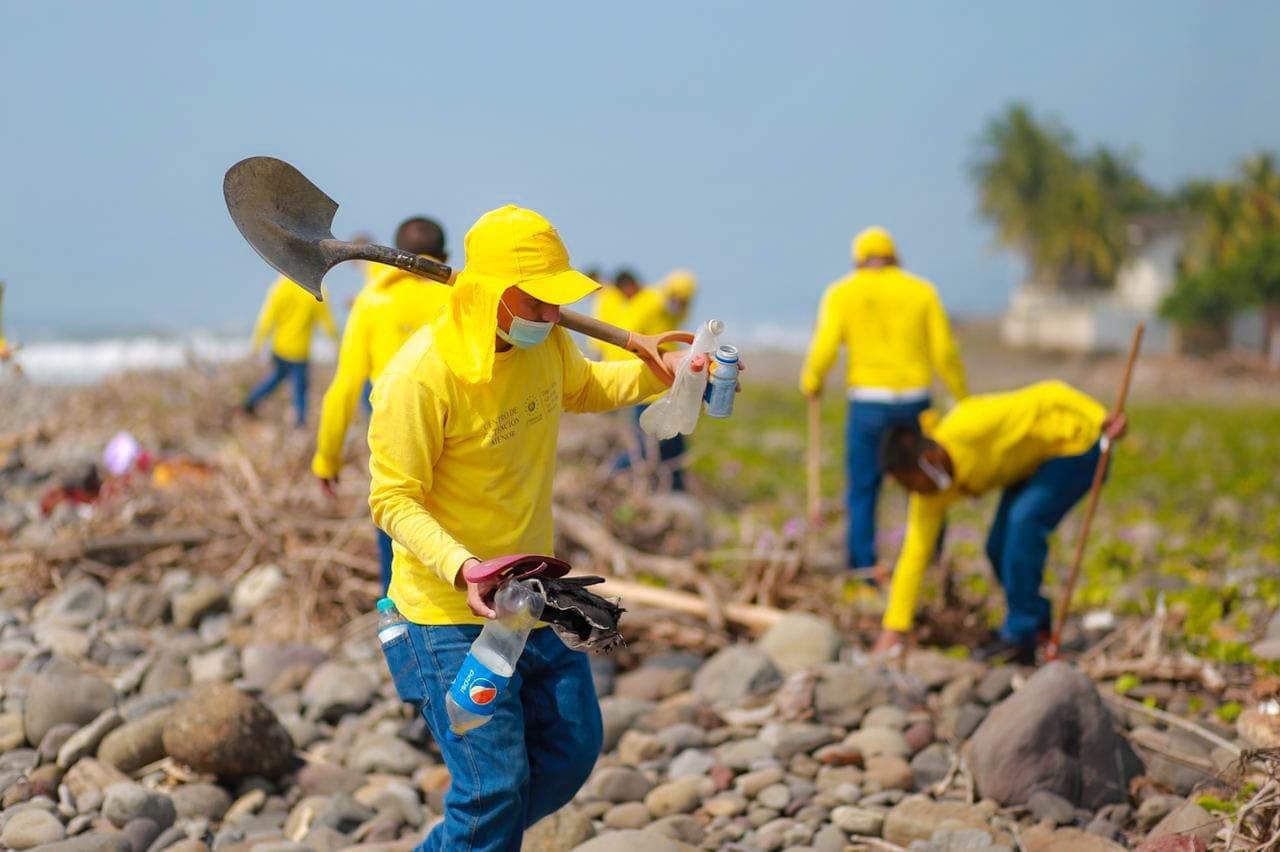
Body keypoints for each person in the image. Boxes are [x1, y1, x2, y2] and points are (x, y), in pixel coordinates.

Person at [368, 206, 723, 850]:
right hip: (445, 612)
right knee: (492, 786)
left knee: (570, 752)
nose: (554, 315)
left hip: (528, 600)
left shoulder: (547, 342)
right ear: (493, 296)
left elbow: (585, 385)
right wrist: (462, 565)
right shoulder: (420, 378)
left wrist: (662, 373)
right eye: (539, 301)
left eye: (559, 301)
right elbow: (392, 499)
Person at [871, 380, 1127, 663]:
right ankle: (1036, 625)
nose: (913, 494)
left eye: (911, 483)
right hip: (1030, 465)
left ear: (928, 459)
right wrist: (894, 628)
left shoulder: (969, 424)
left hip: (1076, 444)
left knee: (1023, 522)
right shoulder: (929, 494)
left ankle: (1019, 635)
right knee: (997, 547)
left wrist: (1099, 418)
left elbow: (1049, 393)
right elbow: (914, 555)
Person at [799, 226, 967, 574]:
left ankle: (863, 570)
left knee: (863, 489)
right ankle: (928, 566)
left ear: (858, 261)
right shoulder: (922, 291)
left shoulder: (842, 292)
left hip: (869, 404)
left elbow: (825, 345)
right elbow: (945, 352)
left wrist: (812, 380)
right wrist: (963, 397)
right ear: (894, 258)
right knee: (927, 482)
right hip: (916, 403)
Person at [312, 216, 451, 592]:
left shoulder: (372, 301)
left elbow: (344, 386)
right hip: (459, 426)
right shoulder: (459, 298)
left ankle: (398, 611)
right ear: (446, 256)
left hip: (394, 425)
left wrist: (327, 458)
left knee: (396, 515)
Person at [599, 269, 699, 490]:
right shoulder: (654, 302)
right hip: (651, 387)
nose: (681, 304)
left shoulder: (661, 305)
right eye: (679, 299)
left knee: (673, 445)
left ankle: (675, 490)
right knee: (647, 445)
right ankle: (610, 475)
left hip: (666, 385)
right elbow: (631, 337)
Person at [244, 275, 339, 427]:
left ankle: (251, 401)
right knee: (300, 388)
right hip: (299, 351)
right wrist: (337, 343)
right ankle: (300, 422)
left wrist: (257, 344)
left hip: (280, 347)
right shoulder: (315, 290)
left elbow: (267, 318)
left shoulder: (280, 286)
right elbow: (327, 321)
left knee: (277, 378)